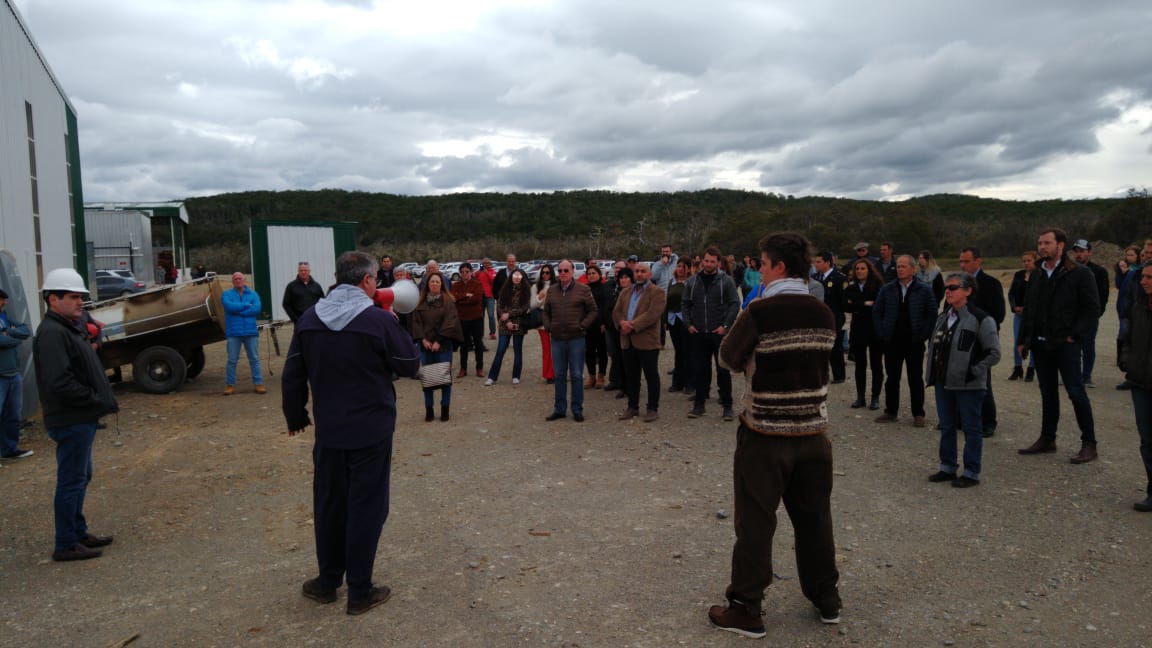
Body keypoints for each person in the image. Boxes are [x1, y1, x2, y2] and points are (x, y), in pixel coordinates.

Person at [707, 232, 841, 638]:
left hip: (765, 433)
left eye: (763, 265)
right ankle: (826, 598)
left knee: (756, 523)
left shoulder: (761, 311)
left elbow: (728, 357)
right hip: (814, 433)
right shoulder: (824, 312)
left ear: (778, 266)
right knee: (815, 519)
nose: (759, 272)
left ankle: (747, 607)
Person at [282, 251, 420, 615]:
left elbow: (293, 371)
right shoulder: (378, 320)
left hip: (329, 431)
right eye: (376, 279)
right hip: (371, 431)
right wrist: (394, 321)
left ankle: (328, 582)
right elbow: (409, 365)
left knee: (329, 507)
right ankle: (360, 590)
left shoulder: (311, 318)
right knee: (367, 508)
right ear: (368, 281)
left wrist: (295, 415)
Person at [33, 268, 119, 561]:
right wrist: (93, 400)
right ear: (53, 299)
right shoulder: (53, 333)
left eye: (80, 297)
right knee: (71, 480)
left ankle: (78, 532)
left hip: (80, 417)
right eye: (73, 297)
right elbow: (60, 382)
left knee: (82, 475)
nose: (80, 302)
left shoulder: (67, 327)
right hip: (72, 419)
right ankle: (66, 543)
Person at [1018, 227, 1101, 463]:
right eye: (1040, 243)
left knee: (1076, 392)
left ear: (1060, 245)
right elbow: (1029, 309)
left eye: (1047, 243)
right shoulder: (1036, 273)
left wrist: (1075, 336)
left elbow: (1091, 309)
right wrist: (1024, 340)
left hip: (1066, 345)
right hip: (1041, 344)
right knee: (1047, 392)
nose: (1042, 247)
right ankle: (1047, 438)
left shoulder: (1079, 274)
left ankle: (1089, 443)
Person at [926, 272, 1001, 488]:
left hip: (969, 385)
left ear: (968, 291)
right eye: (947, 288)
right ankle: (947, 467)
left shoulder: (981, 319)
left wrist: (975, 370)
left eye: (953, 288)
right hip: (943, 382)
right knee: (948, 426)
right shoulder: (943, 318)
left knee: (971, 428)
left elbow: (994, 353)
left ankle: (971, 471)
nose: (947, 291)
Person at [872, 255, 938, 427]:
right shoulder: (887, 289)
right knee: (892, 377)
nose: (900, 269)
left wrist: (924, 334)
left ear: (913, 269)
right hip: (892, 340)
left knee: (915, 378)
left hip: (914, 341)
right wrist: (882, 332)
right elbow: (877, 312)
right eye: (898, 266)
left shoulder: (923, 290)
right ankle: (891, 411)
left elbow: (932, 314)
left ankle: (918, 413)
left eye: (903, 266)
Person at [683, 247, 741, 421]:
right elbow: (685, 304)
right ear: (702, 262)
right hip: (699, 332)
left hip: (719, 332)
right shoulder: (692, 281)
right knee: (701, 370)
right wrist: (689, 324)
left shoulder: (726, 281)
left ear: (718, 263)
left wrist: (726, 325)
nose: (708, 264)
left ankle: (727, 406)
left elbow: (734, 303)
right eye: (706, 261)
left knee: (723, 369)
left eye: (712, 261)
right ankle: (699, 405)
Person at [541, 260, 598, 423]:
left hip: (576, 339)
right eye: (560, 270)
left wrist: (582, 326)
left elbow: (593, 310)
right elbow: (545, 311)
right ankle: (559, 409)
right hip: (557, 339)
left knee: (576, 375)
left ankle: (577, 409)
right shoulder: (551, 290)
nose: (563, 273)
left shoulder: (583, 289)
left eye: (566, 270)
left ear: (573, 271)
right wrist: (548, 326)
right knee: (559, 375)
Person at [958, 247, 1005, 437]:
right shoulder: (957, 284)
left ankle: (988, 421)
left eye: (966, 261)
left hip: (981, 340)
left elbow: (998, 314)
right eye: (960, 261)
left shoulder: (991, 284)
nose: (962, 265)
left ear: (978, 261)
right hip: (961, 340)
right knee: (960, 379)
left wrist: (979, 326)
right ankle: (963, 418)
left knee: (983, 381)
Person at [1118, 263, 1152, 512]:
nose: (1143, 281)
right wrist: (1127, 361)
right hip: (1140, 382)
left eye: (1149, 277)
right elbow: (1126, 339)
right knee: (1147, 439)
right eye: (1143, 277)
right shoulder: (1138, 308)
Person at [614, 261, 666, 422]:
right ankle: (632, 407)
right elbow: (616, 311)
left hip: (647, 341)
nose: (639, 274)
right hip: (627, 341)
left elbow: (653, 314)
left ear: (649, 274)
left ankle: (652, 408)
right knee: (631, 376)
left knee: (651, 376)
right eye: (636, 271)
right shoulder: (626, 292)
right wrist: (621, 323)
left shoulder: (657, 292)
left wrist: (633, 325)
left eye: (643, 271)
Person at [410, 272, 463, 422]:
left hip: (443, 345)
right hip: (425, 346)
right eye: (432, 282)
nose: (434, 284)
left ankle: (445, 409)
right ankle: (429, 409)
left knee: (444, 378)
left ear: (442, 284)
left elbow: (450, 322)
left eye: (437, 282)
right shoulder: (420, 303)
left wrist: (439, 340)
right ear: (427, 284)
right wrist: (422, 340)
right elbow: (416, 322)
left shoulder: (448, 302)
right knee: (427, 378)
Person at [844, 259, 884, 410]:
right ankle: (860, 397)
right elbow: (845, 305)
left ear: (869, 270)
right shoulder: (852, 287)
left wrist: (856, 304)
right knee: (860, 365)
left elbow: (878, 304)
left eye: (863, 268)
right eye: (857, 269)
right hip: (858, 329)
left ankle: (875, 397)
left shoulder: (878, 286)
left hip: (874, 329)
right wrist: (863, 304)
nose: (859, 271)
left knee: (876, 364)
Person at [1071, 240, 1110, 387]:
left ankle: (1086, 375)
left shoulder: (1099, 271)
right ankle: (1072, 374)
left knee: (1088, 346)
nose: (1079, 254)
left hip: (1089, 316)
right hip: (1072, 316)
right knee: (1072, 346)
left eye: (1082, 251)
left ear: (1089, 252)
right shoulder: (1070, 269)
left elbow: (1103, 295)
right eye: (1077, 251)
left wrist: (1096, 314)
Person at [1, 288, 33, 462]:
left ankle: (9, 449)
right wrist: (13, 338)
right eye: (1, 299)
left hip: (13, 374)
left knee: (12, 414)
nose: (4, 302)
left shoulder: (5, 317)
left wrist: (10, 333)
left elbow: (25, 331)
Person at [485, 268, 531, 386]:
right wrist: (507, 320)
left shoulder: (526, 291)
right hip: (505, 325)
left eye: (519, 276)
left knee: (518, 350)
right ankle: (492, 377)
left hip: (519, 324)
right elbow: (499, 306)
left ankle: (516, 375)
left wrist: (509, 315)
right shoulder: (505, 289)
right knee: (500, 351)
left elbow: (524, 308)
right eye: (514, 275)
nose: (516, 278)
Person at [222, 272, 264, 395]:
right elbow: (229, 307)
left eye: (240, 278)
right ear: (232, 281)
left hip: (250, 332)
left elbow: (257, 308)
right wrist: (246, 305)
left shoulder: (253, 294)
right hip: (234, 333)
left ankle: (259, 383)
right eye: (235, 279)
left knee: (254, 359)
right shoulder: (226, 294)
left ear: (244, 280)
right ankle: (230, 385)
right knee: (232, 360)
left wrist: (240, 313)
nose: (238, 280)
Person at [813, 251, 847, 384]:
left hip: (834, 316)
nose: (816, 264)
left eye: (819, 262)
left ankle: (839, 375)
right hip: (817, 318)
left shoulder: (839, 278)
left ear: (827, 263)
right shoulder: (815, 278)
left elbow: (843, 301)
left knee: (835, 346)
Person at [450, 263, 485, 379]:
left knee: (478, 344)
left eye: (467, 271)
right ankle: (463, 368)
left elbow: (476, 299)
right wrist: (466, 295)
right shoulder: (456, 285)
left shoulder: (477, 284)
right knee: (463, 345)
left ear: (471, 272)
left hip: (476, 318)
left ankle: (479, 367)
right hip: (462, 319)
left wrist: (461, 300)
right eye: (462, 272)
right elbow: (453, 298)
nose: (464, 274)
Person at [666, 258, 695, 395]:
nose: (681, 269)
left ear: (689, 268)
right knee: (678, 351)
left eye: (684, 266)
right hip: (673, 320)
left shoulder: (691, 282)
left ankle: (690, 383)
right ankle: (677, 382)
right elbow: (667, 301)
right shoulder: (671, 282)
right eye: (679, 266)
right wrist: (664, 319)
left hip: (685, 320)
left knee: (687, 352)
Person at [1007, 252, 1038, 382]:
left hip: (1034, 315)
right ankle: (1017, 367)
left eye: (1029, 261)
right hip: (1019, 315)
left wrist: (1028, 308)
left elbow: (1040, 297)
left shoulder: (1039, 276)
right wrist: (1014, 307)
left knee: (1033, 342)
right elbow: (1011, 293)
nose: (1026, 263)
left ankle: (1031, 369)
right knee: (1017, 342)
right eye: (1024, 261)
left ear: (1035, 261)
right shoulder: (1019, 275)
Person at [603, 264, 632, 395]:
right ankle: (621, 384)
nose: (623, 279)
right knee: (616, 357)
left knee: (629, 359)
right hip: (613, 328)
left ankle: (630, 386)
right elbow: (607, 307)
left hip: (629, 329)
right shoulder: (612, 289)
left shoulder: (635, 292)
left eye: (626, 277)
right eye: (621, 277)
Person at [583, 265, 610, 389]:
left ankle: (601, 376)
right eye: (589, 273)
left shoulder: (605, 288)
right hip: (587, 325)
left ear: (599, 274)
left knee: (602, 351)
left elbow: (605, 307)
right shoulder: (585, 289)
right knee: (589, 351)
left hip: (600, 325)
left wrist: (603, 322)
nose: (591, 275)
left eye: (593, 273)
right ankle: (591, 375)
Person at [532, 264, 557, 383]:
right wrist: (539, 297)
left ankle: (558, 372)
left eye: (547, 272)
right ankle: (548, 374)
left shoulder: (558, 286)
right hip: (542, 322)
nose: (545, 275)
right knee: (547, 349)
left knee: (558, 349)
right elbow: (532, 305)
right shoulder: (535, 287)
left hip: (557, 321)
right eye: (543, 272)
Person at [478, 258, 497, 339]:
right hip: (480, 297)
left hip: (490, 297)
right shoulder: (479, 272)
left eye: (487, 263)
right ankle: (480, 334)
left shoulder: (493, 272)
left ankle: (492, 333)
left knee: (491, 315)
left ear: (489, 264)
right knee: (480, 316)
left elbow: (493, 281)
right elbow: (473, 277)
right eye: (484, 263)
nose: (485, 264)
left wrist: (487, 273)